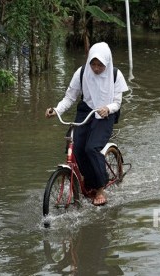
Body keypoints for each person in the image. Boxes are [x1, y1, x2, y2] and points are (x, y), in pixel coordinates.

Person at [45, 42, 129, 206]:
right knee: (76, 148)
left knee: (92, 148)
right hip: (86, 111)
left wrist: (108, 108)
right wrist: (56, 110)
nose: (96, 68)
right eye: (93, 64)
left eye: (100, 65)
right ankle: (88, 180)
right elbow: (70, 97)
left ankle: (99, 188)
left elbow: (117, 103)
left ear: (107, 63)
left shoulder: (115, 75)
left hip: (106, 113)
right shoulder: (82, 72)